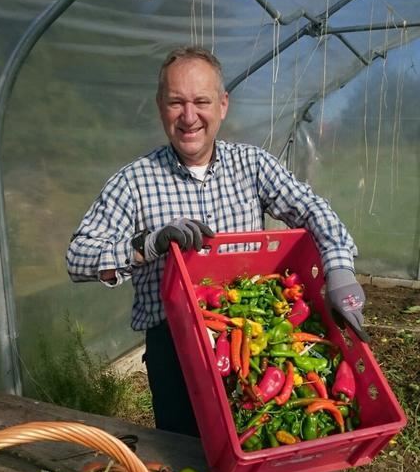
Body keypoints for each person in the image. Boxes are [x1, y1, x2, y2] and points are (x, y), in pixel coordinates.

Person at [66, 45, 367, 437]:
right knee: (184, 451)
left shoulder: (252, 165)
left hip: (252, 332)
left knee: (257, 437)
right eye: (176, 102)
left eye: (201, 101)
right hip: (173, 348)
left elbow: (310, 209)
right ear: (160, 106)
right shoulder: (134, 182)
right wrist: (146, 244)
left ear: (223, 105)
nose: (189, 117)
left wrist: (339, 267)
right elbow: (77, 257)